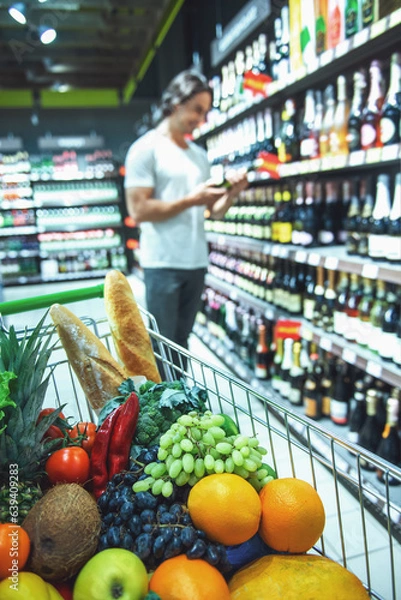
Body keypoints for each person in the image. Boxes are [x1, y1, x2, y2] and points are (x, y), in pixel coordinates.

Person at [124, 69, 248, 373]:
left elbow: (212, 212)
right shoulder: (145, 148)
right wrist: (191, 199)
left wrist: (232, 194)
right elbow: (138, 210)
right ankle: (168, 404)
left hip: (195, 261)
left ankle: (181, 401)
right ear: (177, 102)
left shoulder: (198, 155)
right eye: (197, 109)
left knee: (182, 340)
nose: (201, 119)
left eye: (205, 111)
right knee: (163, 344)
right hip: (162, 263)